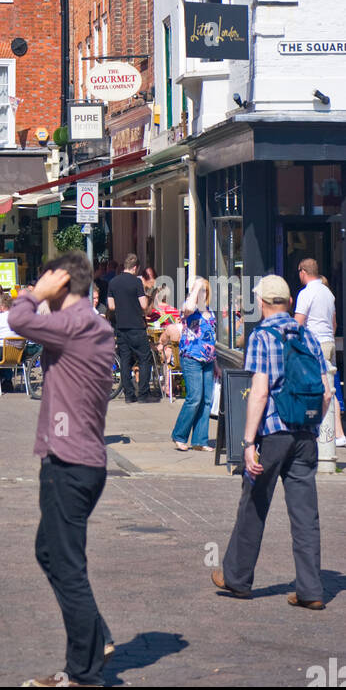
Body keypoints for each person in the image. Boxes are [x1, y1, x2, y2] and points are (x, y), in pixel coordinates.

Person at [8, 253, 115, 688]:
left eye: (50, 280)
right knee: (51, 552)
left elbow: (18, 318)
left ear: (63, 282)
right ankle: (93, 640)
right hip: (85, 463)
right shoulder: (97, 325)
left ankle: (84, 673)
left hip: (67, 465)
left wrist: (35, 293)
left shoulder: (74, 327)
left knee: (67, 565)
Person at [213, 275, 330, 608]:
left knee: (254, 502)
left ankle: (236, 578)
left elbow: (259, 392)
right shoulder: (308, 336)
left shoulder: (262, 337)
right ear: (289, 302)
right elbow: (325, 391)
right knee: (306, 514)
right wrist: (313, 425)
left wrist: (248, 442)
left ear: (262, 303)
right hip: (305, 435)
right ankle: (311, 590)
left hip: (274, 434)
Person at [162, 278, 218, 452]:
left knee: (207, 400)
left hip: (208, 359)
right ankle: (179, 435)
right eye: (199, 291)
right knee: (194, 398)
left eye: (204, 291)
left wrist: (216, 363)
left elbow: (212, 338)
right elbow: (188, 307)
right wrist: (197, 286)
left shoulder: (209, 312)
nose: (202, 294)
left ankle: (200, 440)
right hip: (191, 357)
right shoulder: (188, 310)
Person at [295, 260, 346, 445]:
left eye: (298, 272)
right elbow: (334, 324)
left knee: (315, 390)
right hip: (328, 343)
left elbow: (298, 323)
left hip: (313, 345)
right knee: (329, 389)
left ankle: (321, 434)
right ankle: (337, 434)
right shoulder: (327, 293)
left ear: (303, 272)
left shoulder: (306, 293)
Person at [107, 253, 155, 403]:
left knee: (125, 361)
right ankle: (143, 394)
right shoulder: (136, 282)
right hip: (136, 327)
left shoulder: (113, 282)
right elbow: (144, 305)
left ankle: (129, 395)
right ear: (135, 268)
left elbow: (111, 306)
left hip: (121, 327)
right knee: (144, 358)